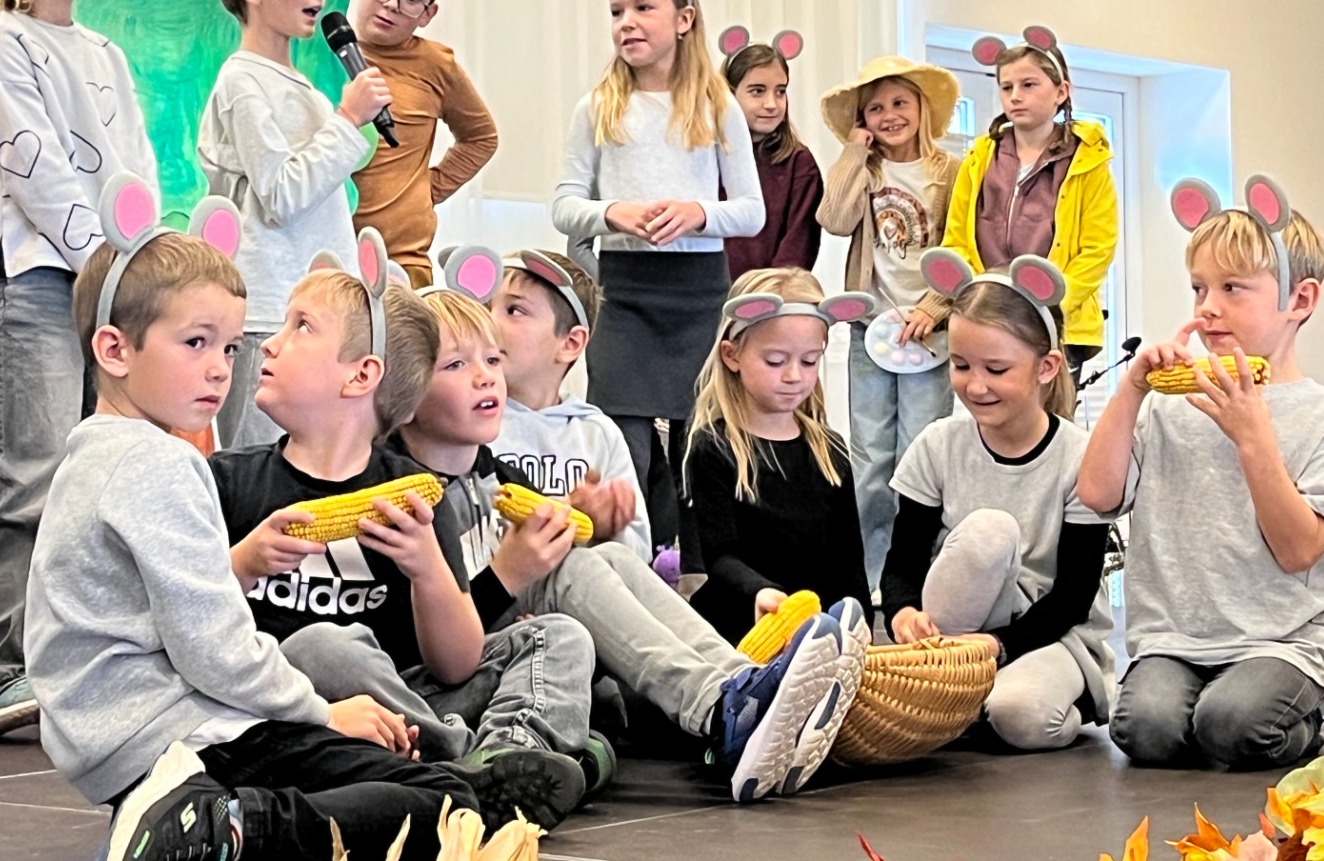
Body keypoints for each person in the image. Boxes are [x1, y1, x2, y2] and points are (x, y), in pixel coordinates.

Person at [26, 185, 476, 861]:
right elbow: (215, 649)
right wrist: (322, 712)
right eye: (195, 343)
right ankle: (230, 826)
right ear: (115, 350)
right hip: (175, 731)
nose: (219, 369)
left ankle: (197, 817)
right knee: (447, 800)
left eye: (231, 348)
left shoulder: (91, 455)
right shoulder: (159, 462)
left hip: (112, 737)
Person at [402, 280, 865, 804]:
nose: (487, 375)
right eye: (456, 365)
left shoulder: (493, 474)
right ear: (405, 392)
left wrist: (591, 524)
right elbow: (428, 650)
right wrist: (510, 577)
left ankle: (744, 685)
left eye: (492, 359)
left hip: (507, 642)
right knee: (574, 570)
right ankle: (720, 711)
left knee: (610, 555)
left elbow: (554, 567)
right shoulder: (407, 500)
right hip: (438, 687)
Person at [220, 240, 596, 829]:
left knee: (559, 635)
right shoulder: (230, 481)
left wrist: (427, 569)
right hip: (292, 708)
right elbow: (192, 622)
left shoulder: (416, 492)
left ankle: (510, 751)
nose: (268, 342)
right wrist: (242, 561)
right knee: (324, 645)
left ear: (361, 376)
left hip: (409, 696)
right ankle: (469, 764)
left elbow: (455, 665)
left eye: (301, 327)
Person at [0, 0, 157, 737]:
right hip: (33, 284)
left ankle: (75, 664)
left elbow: (134, 174)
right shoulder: (0, 43)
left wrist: (147, 264)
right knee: (28, 478)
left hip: (106, 291)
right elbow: (38, 173)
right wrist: (115, 269)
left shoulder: (106, 53)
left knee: (96, 484)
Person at [1077, 175, 1324, 770]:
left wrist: (1252, 435)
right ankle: (1204, 704)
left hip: (1280, 643)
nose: (1208, 307)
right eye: (1199, 288)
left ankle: (1315, 709)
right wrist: (1132, 389)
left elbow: (1298, 550)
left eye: (1233, 288)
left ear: (1300, 301)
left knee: (1232, 726)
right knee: (1145, 732)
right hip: (1175, 641)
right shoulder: (1167, 406)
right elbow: (1097, 494)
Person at [551, 0, 762, 562]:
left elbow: (749, 212)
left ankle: (700, 577)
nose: (627, 22)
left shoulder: (717, 106)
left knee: (699, 452)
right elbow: (563, 205)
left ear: (683, 19)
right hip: (624, 294)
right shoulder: (597, 107)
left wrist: (697, 214)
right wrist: (612, 212)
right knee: (626, 446)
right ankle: (623, 566)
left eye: (643, 8)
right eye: (617, 10)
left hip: (698, 296)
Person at [881, 250, 1114, 751]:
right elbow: (901, 564)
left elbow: (1073, 596)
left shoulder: (1081, 457)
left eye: (997, 369)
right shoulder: (938, 444)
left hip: (1051, 634)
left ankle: (1055, 697)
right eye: (960, 365)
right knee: (987, 533)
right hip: (956, 636)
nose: (976, 385)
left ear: (1046, 367)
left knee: (1020, 715)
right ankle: (954, 690)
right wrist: (902, 614)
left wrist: (999, 646)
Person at [199, 0, 389, 449]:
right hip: (267, 311)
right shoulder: (242, 81)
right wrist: (347, 120)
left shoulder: (298, 84)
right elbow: (281, 195)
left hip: (312, 310)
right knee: (261, 464)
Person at [814, 55, 960, 589]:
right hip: (871, 328)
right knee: (871, 455)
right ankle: (871, 575)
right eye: (875, 108)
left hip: (930, 331)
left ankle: (915, 572)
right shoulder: (868, 171)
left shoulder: (952, 171)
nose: (889, 116)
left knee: (919, 450)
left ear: (922, 108)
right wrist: (854, 150)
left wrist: (935, 307)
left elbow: (962, 246)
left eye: (900, 103)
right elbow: (833, 219)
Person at [683, 267, 874, 645]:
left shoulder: (829, 450)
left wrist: (860, 626)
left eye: (809, 361)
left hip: (817, 627)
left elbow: (849, 559)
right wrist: (761, 592)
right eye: (775, 361)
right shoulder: (714, 447)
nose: (794, 376)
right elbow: (719, 555)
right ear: (732, 355)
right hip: (740, 625)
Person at [945, 27, 1118, 374]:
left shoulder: (1088, 160)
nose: (1015, 96)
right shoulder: (979, 157)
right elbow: (956, 238)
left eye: (1028, 85)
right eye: (1006, 87)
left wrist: (1052, 304)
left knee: (1050, 408)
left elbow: (1098, 249)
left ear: (1061, 92)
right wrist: (980, 302)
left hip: (1058, 326)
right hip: (989, 319)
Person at [346, 0, 499, 286]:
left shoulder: (435, 65)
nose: (391, 4)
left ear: (428, 13)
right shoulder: (316, 51)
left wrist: (426, 190)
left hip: (402, 263)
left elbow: (481, 138)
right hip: (323, 254)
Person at [488, 249, 651, 560]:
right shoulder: (471, 422)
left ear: (570, 343)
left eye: (515, 310)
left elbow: (638, 557)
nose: (488, 322)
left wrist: (605, 527)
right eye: (485, 307)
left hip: (586, 582)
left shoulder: (597, 434)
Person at [717, 28, 822, 281]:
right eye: (757, 91)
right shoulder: (706, 157)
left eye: (780, 91)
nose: (772, 104)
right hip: (709, 294)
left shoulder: (799, 163)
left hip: (773, 297)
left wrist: (767, 293)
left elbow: (799, 246)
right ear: (728, 95)